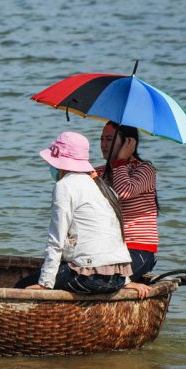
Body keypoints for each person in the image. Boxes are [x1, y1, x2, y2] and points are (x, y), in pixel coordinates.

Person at [22, 131, 149, 298]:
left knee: (22, 285)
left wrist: (45, 284)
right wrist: (126, 281)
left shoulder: (65, 186)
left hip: (89, 279)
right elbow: (115, 237)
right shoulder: (103, 187)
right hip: (116, 279)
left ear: (61, 163)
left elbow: (56, 240)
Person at [97, 121, 158, 282]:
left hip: (137, 249)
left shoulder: (145, 169)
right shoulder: (99, 172)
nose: (103, 145)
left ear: (129, 143)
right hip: (106, 249)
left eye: (109, 140)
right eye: (101, 139)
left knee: (107, 281)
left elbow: (123, 192)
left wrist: (121, 161)